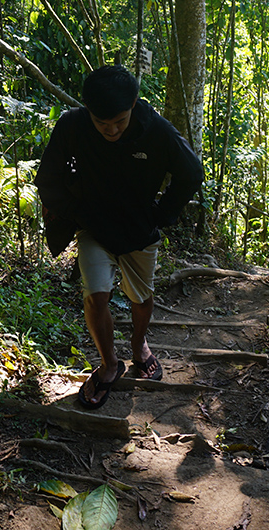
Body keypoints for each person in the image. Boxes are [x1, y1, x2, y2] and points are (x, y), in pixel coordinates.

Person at [34, 65, 204, 410]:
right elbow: (48, 178)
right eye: (102, 123)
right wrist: (76, 213)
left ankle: (139, 345)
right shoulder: (72, 126)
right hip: (93, 227)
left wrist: (161, 213)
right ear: (89, 112)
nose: (111, 130)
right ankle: (109, 364)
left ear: (133, 106)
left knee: (141, 298)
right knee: (97, 296)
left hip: (139, 229)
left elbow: (191, 173)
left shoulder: (156, 131)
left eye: (120, 122)